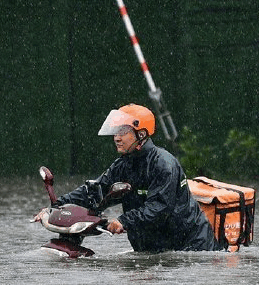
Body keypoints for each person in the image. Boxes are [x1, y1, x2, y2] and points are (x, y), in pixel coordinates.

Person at [51, 104, 220, 253]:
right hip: (153, 249)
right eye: (116, 131)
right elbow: (97, 191)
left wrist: (123, 221)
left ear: (141, 134)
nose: (116, 137)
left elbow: (158, 208)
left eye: (123, 131)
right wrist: (57, 205)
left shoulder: (164, 164)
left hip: (191, 249)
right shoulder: (123, 164)